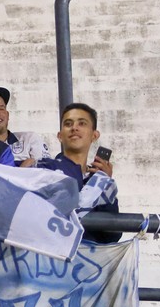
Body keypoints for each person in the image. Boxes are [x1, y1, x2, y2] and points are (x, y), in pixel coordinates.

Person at [38, 102, 119, 243]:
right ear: (60, 136)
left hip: (87, 255)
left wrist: (104, 183)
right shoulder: (45, 168)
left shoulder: (98, 179)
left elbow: (112, 236)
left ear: (94, 135)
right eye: (68, 124)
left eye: (82, 123)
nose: (74, 128)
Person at [0, 86, 50, 167]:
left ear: (7, 115)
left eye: (1, 109)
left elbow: (47, 170)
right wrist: (21, 170)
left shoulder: (29, 139)